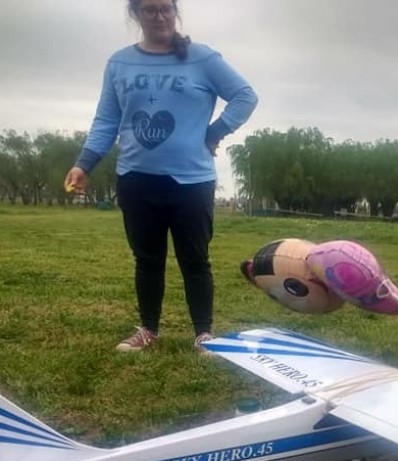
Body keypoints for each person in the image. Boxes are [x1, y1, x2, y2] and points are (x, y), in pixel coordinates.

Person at [64, 0, 258, 353]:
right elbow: (106, 121)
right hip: (136, 179)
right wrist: (84, 163)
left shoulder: (203, 58)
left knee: (195, 259)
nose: (160, 16)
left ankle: (204, 334)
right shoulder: (119, 63)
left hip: (192, 181)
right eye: (150, 9)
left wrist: (214, 132)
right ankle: (148, 330)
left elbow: (245, 96)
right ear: (136, 14)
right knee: (147, 260)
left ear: (175, 11)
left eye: (166, 8)